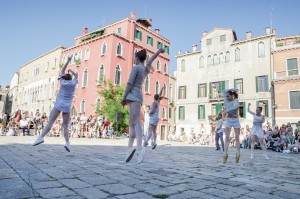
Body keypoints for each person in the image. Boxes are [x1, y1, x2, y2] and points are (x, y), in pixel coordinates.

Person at [121, 48, 164, 164]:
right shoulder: (144, 69)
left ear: (137, 58)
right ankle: (129, 149)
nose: (134, 60)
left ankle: (139, 149)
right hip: (136, 97)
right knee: (132, 123)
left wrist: (123, 97)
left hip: (133, 96)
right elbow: (151, 60)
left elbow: (129, 83)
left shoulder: (136, 68)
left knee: (135, 123)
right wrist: (159, 52)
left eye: (134, 58)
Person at [33, 56, 78, 152]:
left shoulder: (62, 82)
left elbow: (62, 70)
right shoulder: (73, 84)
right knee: (65, 125)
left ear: (64, 78)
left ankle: (41, 137)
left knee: (50, 122)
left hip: (58, 105)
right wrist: (72, 72)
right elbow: (76, 76)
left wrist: (68, 61)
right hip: (66, 107)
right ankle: (67, 143)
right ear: (71, 79)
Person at [223, 88, 241, 164]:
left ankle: (238, 153)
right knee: (227, 137)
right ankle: (225, 153)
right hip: (229, 120)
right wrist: (233, 89)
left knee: (237, 137)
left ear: (232, 96)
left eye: (228, 96)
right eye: (226, 96)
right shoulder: (226, 100)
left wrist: (225, 111)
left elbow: (234, 108)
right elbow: (224, 91)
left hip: (236, 120)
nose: (227, 97)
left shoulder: (236, 101)